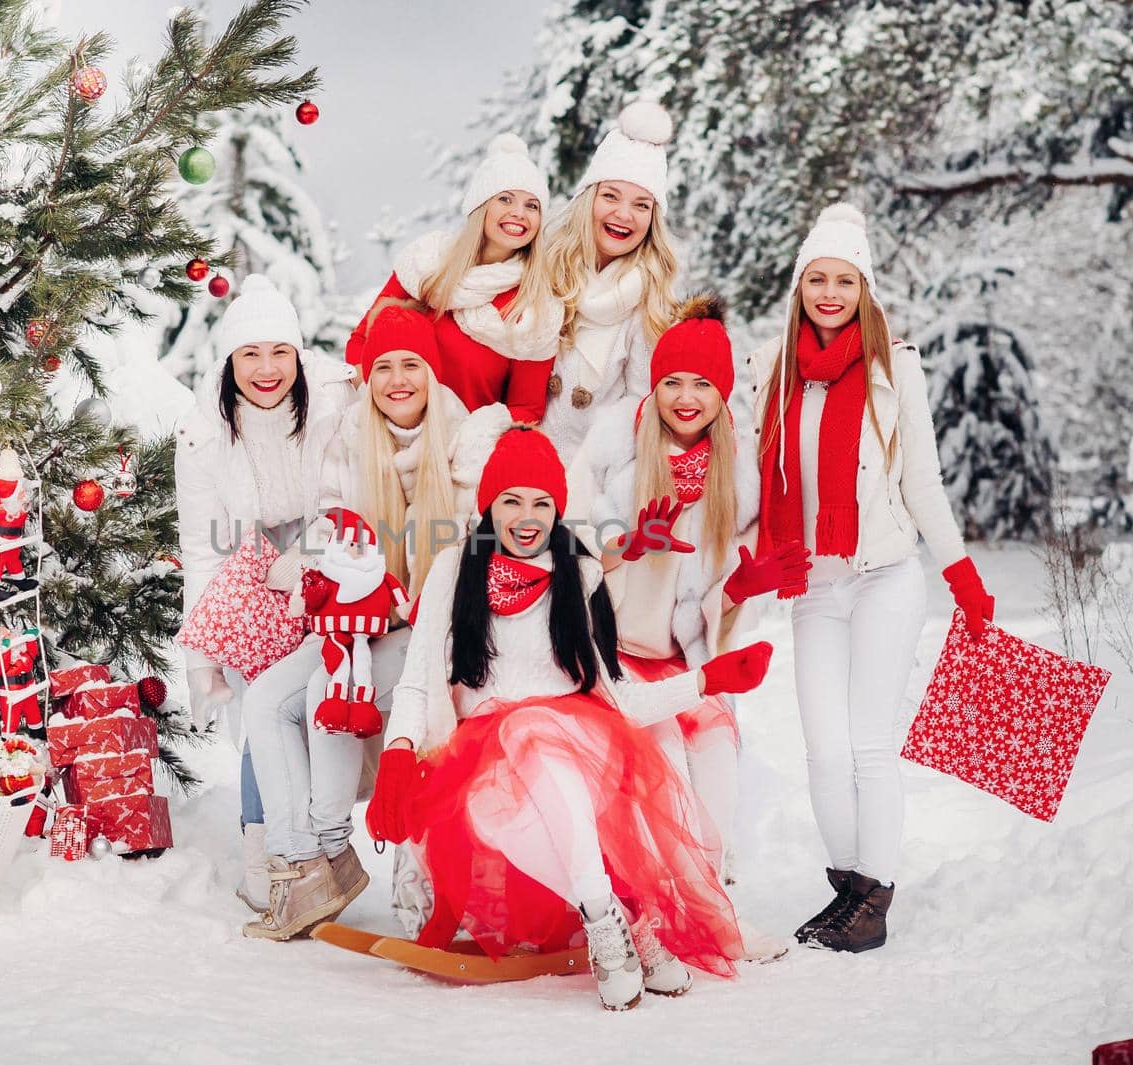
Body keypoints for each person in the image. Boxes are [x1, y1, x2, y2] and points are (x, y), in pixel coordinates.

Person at [367, 427, 765, 1012]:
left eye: (541, 504)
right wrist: (399, 750)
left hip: (576, 741)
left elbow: (619, 694)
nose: (526, 517)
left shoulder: (578, 574)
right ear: (489, 506)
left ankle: (607, 922)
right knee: (529, 753)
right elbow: (419, 676)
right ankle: (619, 914)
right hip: (482, 759)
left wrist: (705, 681)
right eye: (512, 501)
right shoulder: (454, 570)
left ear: (557, 511)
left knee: (549, 753)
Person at [746, 203, 997, 953]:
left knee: (867, 746)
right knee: (823, 749)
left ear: (864, 289)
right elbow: (750, 482)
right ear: (799, 288)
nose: (830, 292)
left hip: (885, 573)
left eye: (844, 280)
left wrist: (962, 574)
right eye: (817, 279)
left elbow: (922, 478)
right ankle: (849, 887)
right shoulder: (770, 369)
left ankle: (876, 898)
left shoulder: (897, 366)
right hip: (812, 582)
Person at [240, 307, 509, 940]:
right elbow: (332, 533)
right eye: (383, 367)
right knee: (267, 697)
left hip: (434, 628)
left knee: (323, 692)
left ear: (430, 373)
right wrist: (326, 572)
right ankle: (305, 861)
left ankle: (332, 844)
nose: (396, 380)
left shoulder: (467, 443)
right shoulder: (351, 438)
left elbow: (480, 554)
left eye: (410, 365)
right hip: (361, 619)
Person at [573, 296, 808, 919]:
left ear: (722, 393)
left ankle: (705, 896)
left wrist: (738, 589)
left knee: (717, 755)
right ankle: (657, 898)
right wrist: (626, 550)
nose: (685, 397)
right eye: (672, 381)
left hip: (695, 659)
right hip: (621, 657)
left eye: (702, 384)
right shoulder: (614, 455)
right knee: (666, 764)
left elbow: (719, 593)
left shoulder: (739, 477)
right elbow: (570, 551)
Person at [173, 273, 355, 912]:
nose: (267, 368)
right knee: (258, 715)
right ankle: (272, 860)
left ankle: (327, 849)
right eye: (250, 354)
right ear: (228, 363)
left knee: (315, 709)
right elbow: (200, 546)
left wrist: (311, 558)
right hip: (247, 576)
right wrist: (202, 656)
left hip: (329, 567)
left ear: (300, 356)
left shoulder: (335, 404)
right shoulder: (201, 435)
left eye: (280, 352)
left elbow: (353, 494)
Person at [345, 134, 561, 422]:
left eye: (532, 206)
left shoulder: (535, 307)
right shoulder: (427, 263)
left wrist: (473, 445)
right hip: (394, 437)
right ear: (480, 206)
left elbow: (525, 410)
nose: (519, 213)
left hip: (466, 453)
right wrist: (385, 419)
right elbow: (361, 345)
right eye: (505, 199)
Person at [539, 101, 681, 459]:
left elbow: (640, 402)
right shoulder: (544, 269)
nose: (623, 215)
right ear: (589, 199)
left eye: (641, 205)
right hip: (522, 473)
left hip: (592, 479)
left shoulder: (648, 300)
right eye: (611, 196)